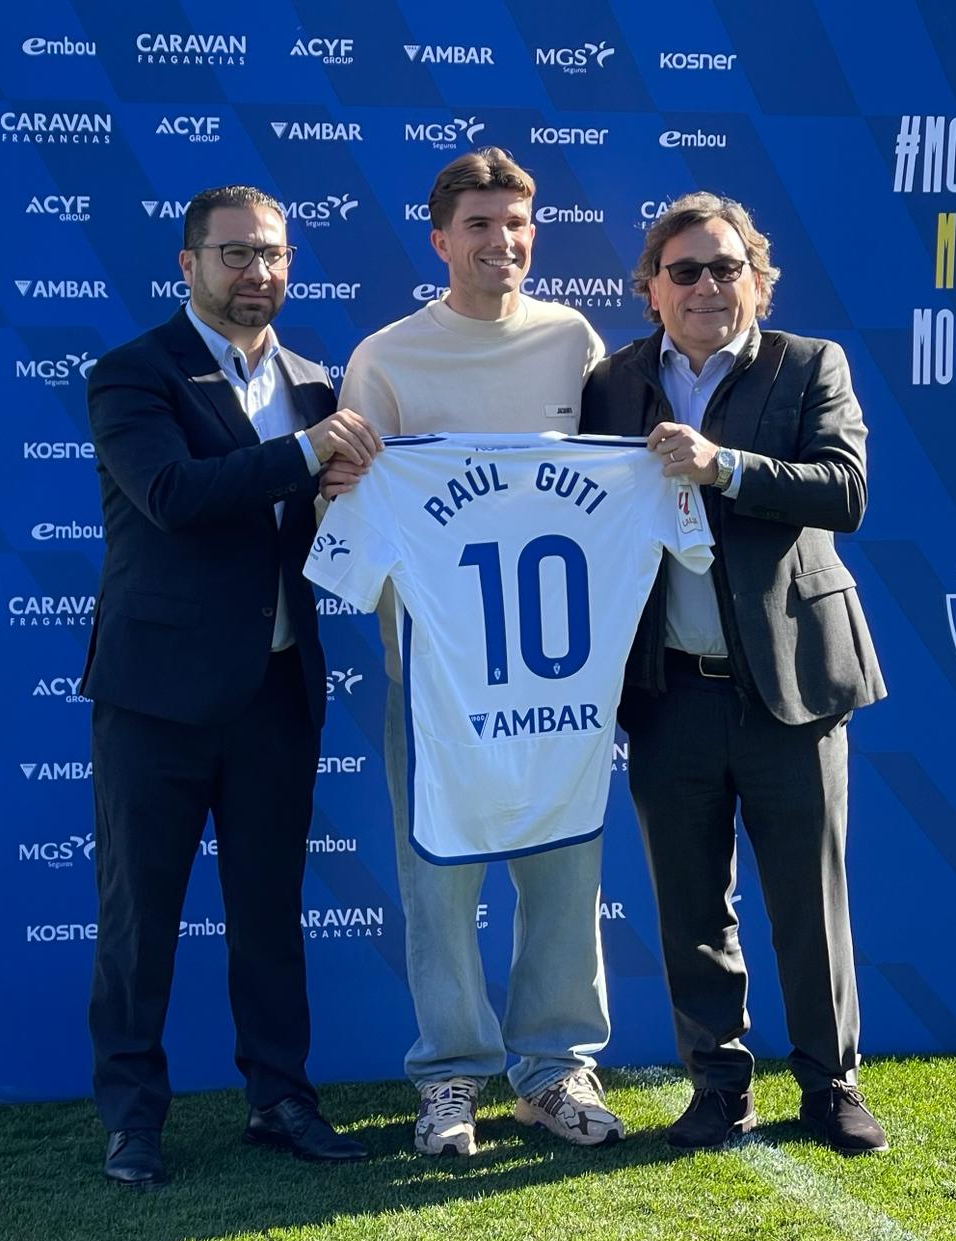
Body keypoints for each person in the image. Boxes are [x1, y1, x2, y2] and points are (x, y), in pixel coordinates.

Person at [322, 148, 624, 1155]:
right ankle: (449, 1073)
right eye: (482, 226)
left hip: (559, 680)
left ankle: (552, 1070)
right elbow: (357, 509)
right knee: (439, 881)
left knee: (564, 874)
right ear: (441, 238)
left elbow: (612, 487)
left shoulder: (572, 342)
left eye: (516, 225)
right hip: (436, 679)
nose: (502, 243)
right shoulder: (389, 356)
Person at [578, 192, 891, 1155]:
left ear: (759, 279)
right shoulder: (612, 380)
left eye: (727, 268)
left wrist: (727, 466)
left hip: (789, 682)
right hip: (668, 689)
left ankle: (830, 1085)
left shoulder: (809, 364)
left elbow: (846, 489)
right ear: (651, 290)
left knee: (808, 895)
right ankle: (718, 1086)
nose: (708, 286)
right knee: (689, 902)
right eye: (686, 271)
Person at [83, 184, 381, 1186]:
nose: (258, 274)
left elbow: (323, 522)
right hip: (157, 698)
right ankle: (131, 1116)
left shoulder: (312, 383)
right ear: (187, 264)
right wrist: (308, 456)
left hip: (275, 689)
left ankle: (281, 1095)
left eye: (272, 255)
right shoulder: (133, 374)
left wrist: (348, 487)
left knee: (268, 910)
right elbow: (171, 496)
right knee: (139, 916)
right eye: (235, 255)